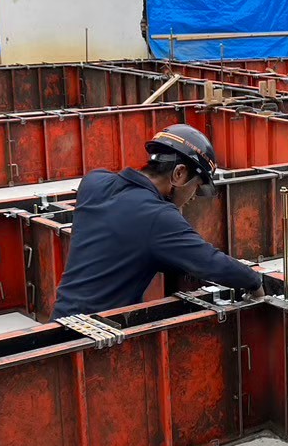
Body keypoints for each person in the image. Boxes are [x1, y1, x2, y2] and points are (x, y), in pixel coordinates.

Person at [51, 124, 263, 318]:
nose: (192, 197)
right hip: (97, 339)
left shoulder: (93, 182)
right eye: (196, 187)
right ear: (179, 174)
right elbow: (210, 262)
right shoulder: (157, 217)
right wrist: (254, 283)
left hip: (59, 323)